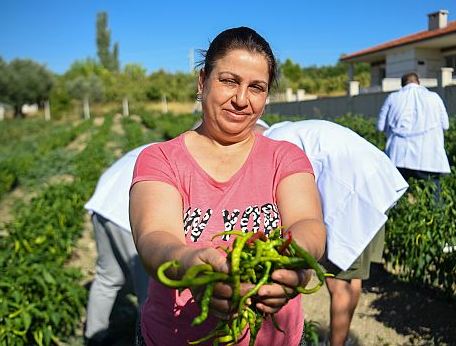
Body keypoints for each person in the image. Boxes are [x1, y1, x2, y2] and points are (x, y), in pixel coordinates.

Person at [129, 27, 326, 346]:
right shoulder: (161, 159)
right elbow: (154, 237)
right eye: (229, 81)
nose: (241, 99)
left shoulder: (284, 157)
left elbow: (307, 222)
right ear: (202, 81)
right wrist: (190, 265)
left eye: (256, 87)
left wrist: (293, 264)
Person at [260, 119, 408, 346]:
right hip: (373, 181)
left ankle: (336, 342)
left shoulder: (271, 142)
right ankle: (343, 336)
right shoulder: (286, 129)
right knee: (352, 277)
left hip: (352, 193)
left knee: (337, 283)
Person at [84, 144, 153, 345]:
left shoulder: (157, 146)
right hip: (128, 216)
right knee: (150, 295)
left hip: (103, 204)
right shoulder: (184, 156)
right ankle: (145, 340)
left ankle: (94, 337)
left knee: (107, 277)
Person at [376, 72, 450, 195]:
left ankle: (398, 214)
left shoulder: (393, 97)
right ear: (419, 82)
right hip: (428, 156)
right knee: (433, 194)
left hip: (398, 155)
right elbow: (445, 125)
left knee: (395, 195)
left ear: (402, 85)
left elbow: (380, 126)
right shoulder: (434, 97)